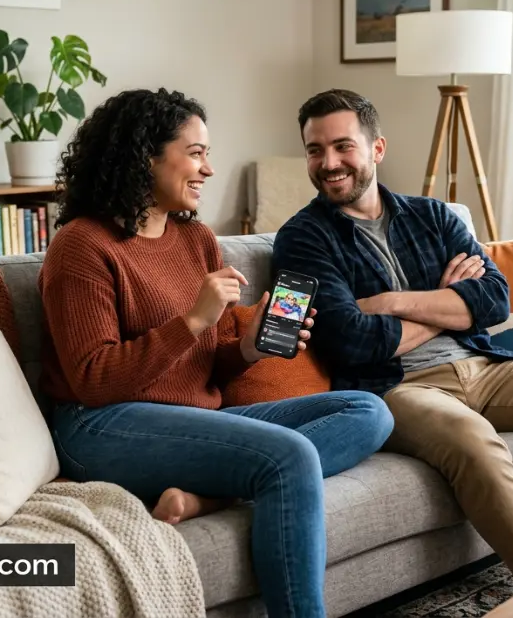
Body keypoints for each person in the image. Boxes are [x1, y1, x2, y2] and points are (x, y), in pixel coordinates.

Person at [271, 89, 513, 589]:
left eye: (343, 146)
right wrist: (447, 304)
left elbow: (494, 300)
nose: (329, 163)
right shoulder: (302, 238)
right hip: (399, 390)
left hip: (485, 365)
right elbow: (351, 339)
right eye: (314, 150)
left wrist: (394, 302)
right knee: (475, 441)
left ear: (377, 148)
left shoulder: (435, 217)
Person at [38, 87, 394, 618]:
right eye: (197, 152)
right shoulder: (82, 245)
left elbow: (208, 362)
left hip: (189, 416)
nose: (208, 169)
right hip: (97, 424)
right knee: (288, 455)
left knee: (368, 410)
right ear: (145, 157)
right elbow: (93, 378)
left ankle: (210, 497)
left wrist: (246, 349)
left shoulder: (197, 239)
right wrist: (193, 320)